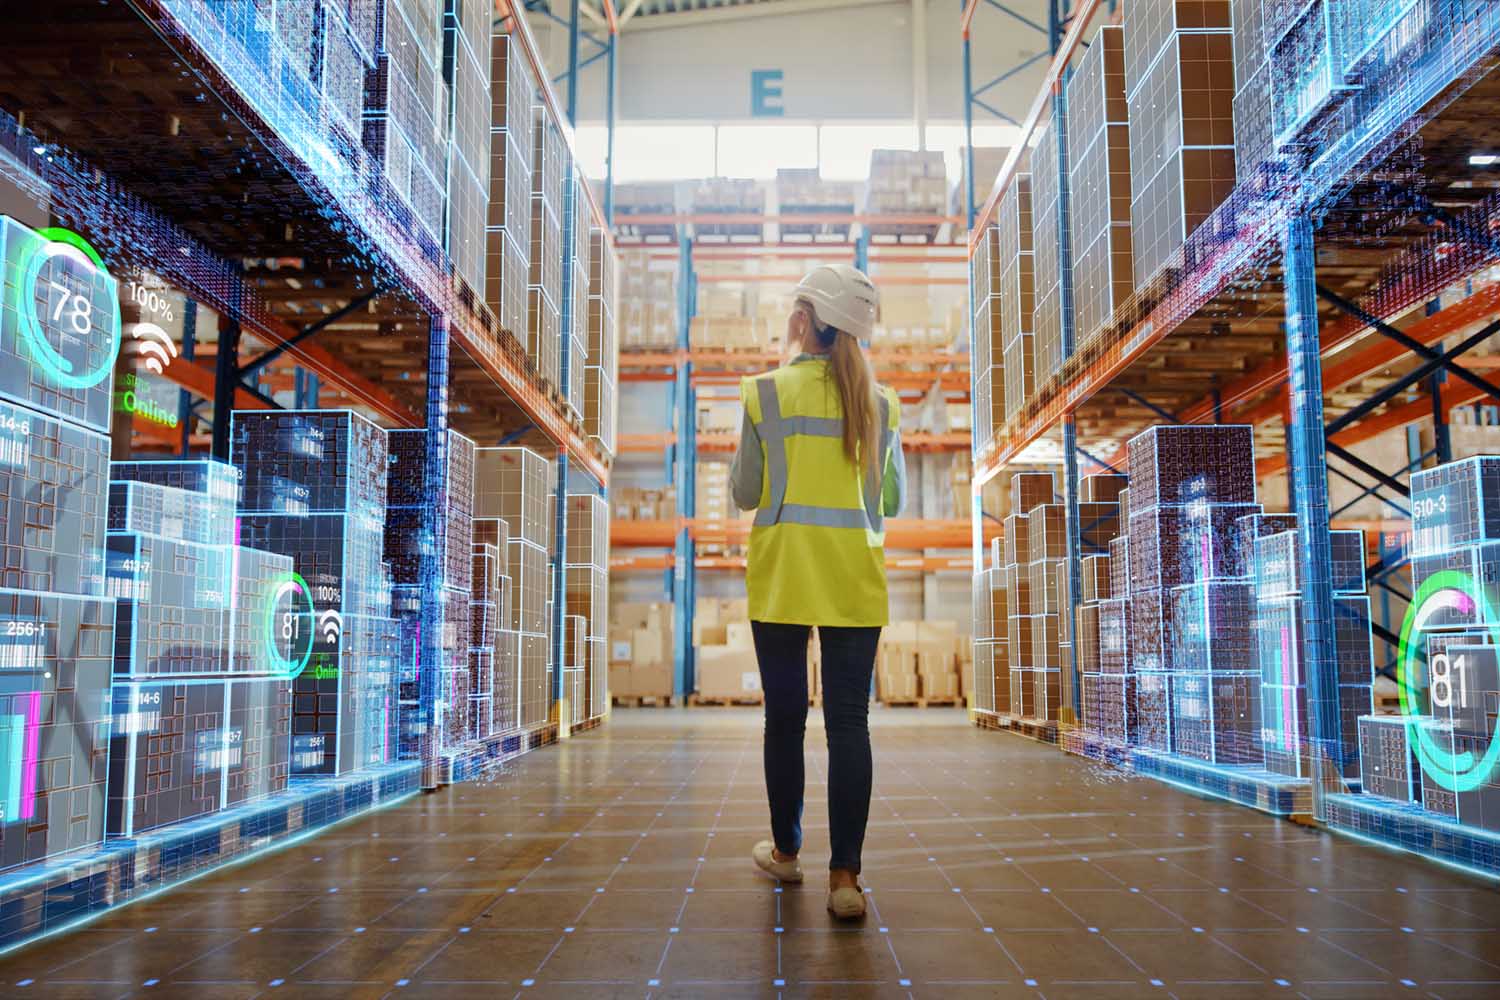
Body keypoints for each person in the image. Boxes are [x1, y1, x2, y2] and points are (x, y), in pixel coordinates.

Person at [729, 263, 905, 920]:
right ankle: (846, 882)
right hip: (854, 583)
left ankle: (786, 852)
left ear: (806, 320)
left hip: (781, 580)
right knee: (849, 726)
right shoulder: (882, 404)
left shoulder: (763, 394)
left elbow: (747, 493)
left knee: (785, 721)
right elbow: (892, 498)